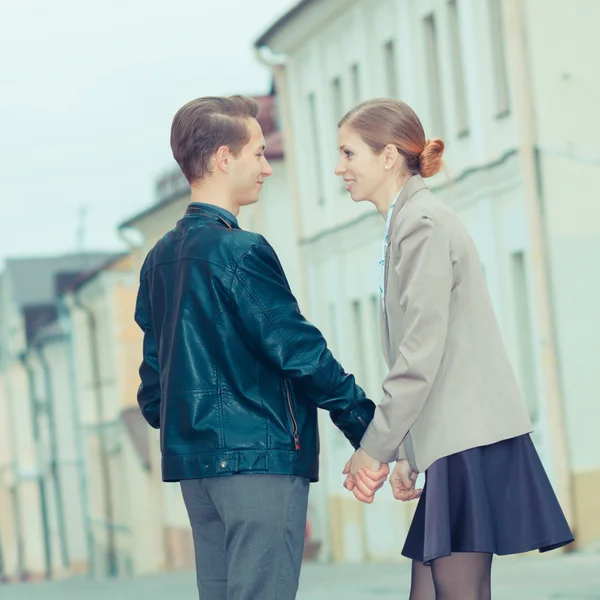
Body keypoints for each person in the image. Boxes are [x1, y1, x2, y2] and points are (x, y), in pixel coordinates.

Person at [134, 95, 388, 600]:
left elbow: (153, 391)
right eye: (257, 153)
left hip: (198, 472)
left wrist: (194, 429)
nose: (266, 168)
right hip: (258, 463)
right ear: (224, 158)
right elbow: (299, 350)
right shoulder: (240, 250)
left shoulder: (159, 258)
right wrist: (371, 429)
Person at [336, 98, 574, 600]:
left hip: (467, 440)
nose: (340, 169)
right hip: (455, 439)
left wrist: (374, 448)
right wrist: (408, 453)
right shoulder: (409, 220)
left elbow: (421, 352)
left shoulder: (420, 223)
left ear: (387, 156)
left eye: (348, 154)